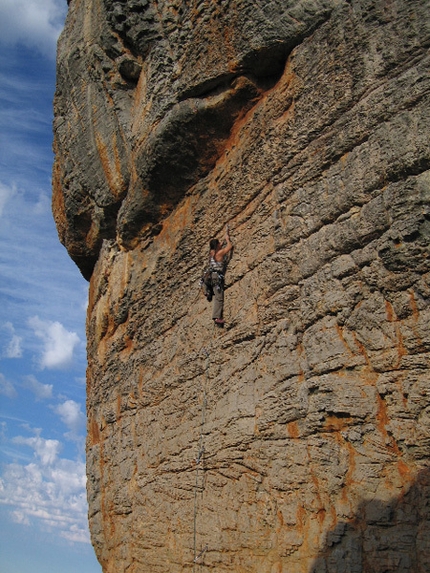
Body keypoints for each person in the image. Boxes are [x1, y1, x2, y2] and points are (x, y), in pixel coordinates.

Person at [207, 228, 233, 326]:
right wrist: (227, 239)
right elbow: (230, 247)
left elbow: (215, 251)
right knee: (219, 298)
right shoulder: (219, 253)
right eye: (219, 244)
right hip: (217, 277)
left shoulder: (211, 254)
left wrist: (219, 245)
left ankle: (208, 291)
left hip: (211, 277)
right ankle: (217, 317)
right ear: (217, 245)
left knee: (216, 293)